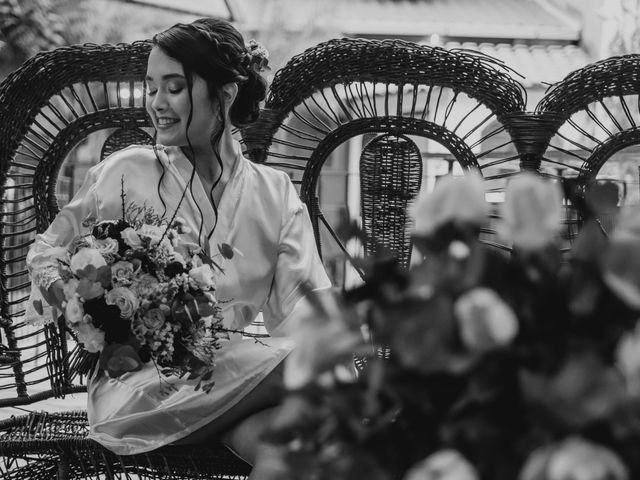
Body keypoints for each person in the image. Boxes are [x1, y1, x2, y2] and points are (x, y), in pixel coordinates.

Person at [25, 17, 331, 473]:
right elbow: (45, 252)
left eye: (173, 88)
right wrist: (85, 304)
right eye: (151, 87)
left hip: (233, 387)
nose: (156, 104)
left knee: (293, 451)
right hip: (137, 386)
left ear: (225, 95)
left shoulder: (275, 194)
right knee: (320, 375)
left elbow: (306, 314)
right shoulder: (125, 172)